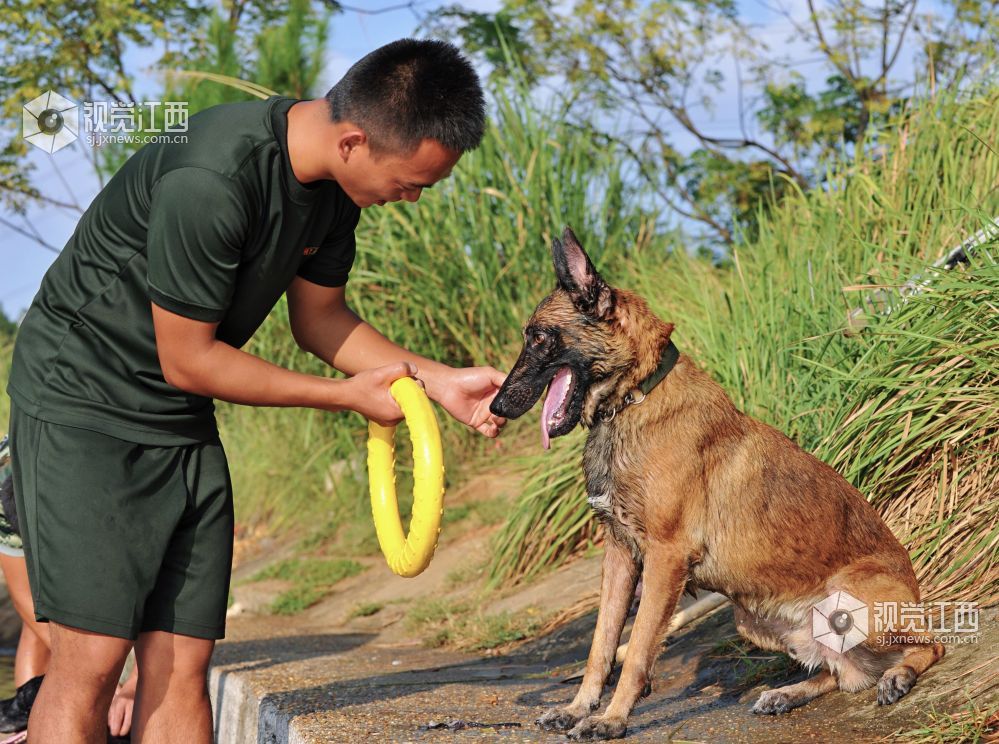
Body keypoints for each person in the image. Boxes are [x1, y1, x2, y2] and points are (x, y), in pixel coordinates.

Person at [6, 38, 505, 743]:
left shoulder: (335, 194)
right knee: (90, 659)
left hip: (177, 413)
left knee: (181, 662)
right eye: (410, 182)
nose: (414, 198)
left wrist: (439, 381)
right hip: (82, 404)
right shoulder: (213, 177)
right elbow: (189, 360)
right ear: (354, 141)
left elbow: (321, 320)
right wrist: (343, 396)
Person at [0, 436, 136, 740]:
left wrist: (134, 684)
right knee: (47, 614)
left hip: (106, 489)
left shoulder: (118, 497)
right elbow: (26, 598)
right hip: (38, 478)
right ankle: (30, 720)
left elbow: (161, 601)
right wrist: (83, 667)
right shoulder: (5, 485)